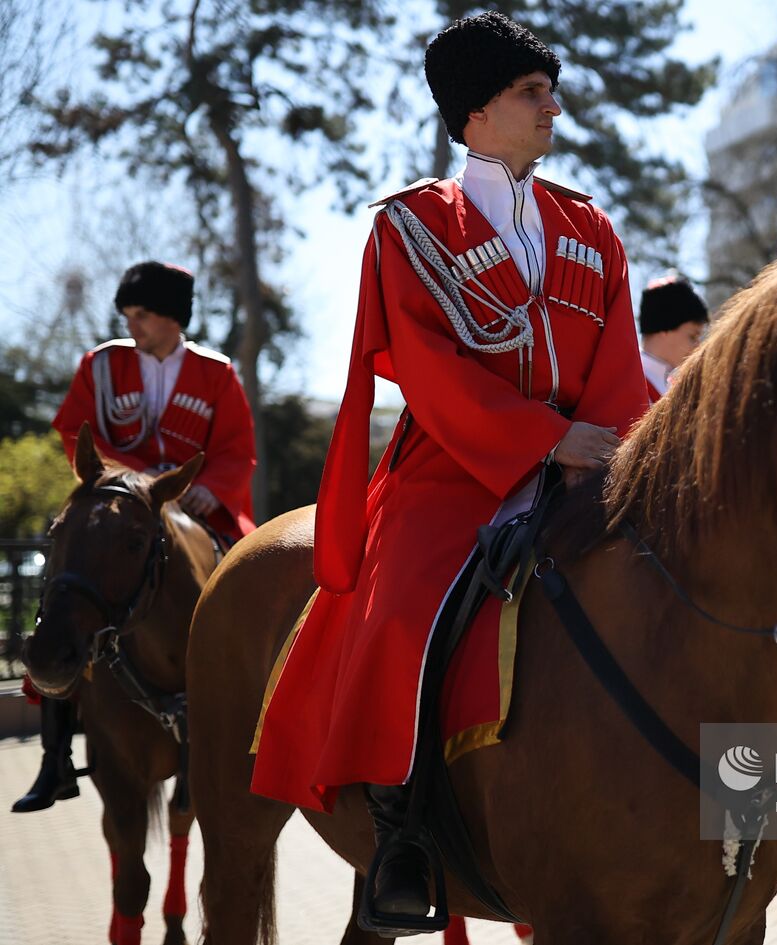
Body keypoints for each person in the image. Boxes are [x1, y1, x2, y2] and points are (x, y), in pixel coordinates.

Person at [247, 11, 649, 925]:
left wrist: (605, 443)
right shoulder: (411, 228)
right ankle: (402, 834)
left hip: (591, 461)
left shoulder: (592, 228)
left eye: (550, 90)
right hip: (455, 468)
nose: (554, 106)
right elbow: (428, 370)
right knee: (399, 614)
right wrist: (542, 439)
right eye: (531, 93)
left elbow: (620, 365)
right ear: (475, 113)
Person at [12, 260, 256, 815]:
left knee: (256, 581)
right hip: (118, 501)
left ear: (172, 317)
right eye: (128, 313)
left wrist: (209, 490)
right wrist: (129, 479)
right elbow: (73, 428)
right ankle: (54, 760)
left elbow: (237, 450)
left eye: (142, 314)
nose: (133, 324)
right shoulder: (101, 365)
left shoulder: (217, 373)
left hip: (196, 505)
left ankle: (262, 717)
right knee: (69, 583)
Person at [637, 272, 708, 402]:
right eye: (693, 336)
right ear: (665, 327)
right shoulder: (628, 385)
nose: (698, 347)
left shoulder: (676, 387)